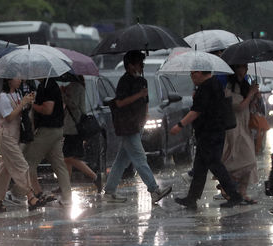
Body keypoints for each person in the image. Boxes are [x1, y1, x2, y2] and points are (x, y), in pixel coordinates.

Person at [104, 50, 171, 204]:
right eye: (139, 63)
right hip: (127, 126)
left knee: (122, 160)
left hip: (137, 124)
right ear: (130, 65)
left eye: (143, 63)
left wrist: (145, 115)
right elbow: (120, 103)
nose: (142, 66)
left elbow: (145, 101)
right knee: (140, 157)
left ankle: (109, 191)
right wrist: (138, 95)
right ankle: (154, 190)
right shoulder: (124, 81)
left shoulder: (142, 81)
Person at [171, 71, 243, 209]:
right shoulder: (214, 84)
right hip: (212, 131)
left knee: (214, 164)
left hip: (209, 133)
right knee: (200, 166)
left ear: (200, 73)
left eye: (193, 74)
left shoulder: (206, 87)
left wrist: (180, 125)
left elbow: (196, 111)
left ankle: (234, 194)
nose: (191, 77)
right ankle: (192, 198)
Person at [0, 78, 45, 212]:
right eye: (16, 77)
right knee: (21, 165)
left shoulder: (18, 94)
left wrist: (28, 102)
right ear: (9, 80)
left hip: (16, 135)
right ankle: (30, 196)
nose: (20, 80)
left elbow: (22, 112)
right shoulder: (3, 97)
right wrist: (22, 104)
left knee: (5, 169)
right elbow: (8, 117)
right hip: (6, 136)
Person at [23, 77, 72, 206]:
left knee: (28, 162)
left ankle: (22, 192)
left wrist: (32, 103)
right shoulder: (45, 85)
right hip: (56, 130)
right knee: (58, 164)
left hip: (47, 131)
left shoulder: (48, 86)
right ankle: (67, 197)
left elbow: (48, 109)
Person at [221, 64, 259, 204]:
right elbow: (239, 106)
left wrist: (255, 96)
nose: (245, 70)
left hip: (245, 126)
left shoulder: (245, 84)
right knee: (240, 160)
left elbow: (250, 106)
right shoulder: (230, 86)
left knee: (249, 160)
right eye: (243, 67)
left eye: (246, 67)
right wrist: (250, 94)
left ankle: (242, 192)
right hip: (234, 128)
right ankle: (228, 186)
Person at [62, 76, 102, 193]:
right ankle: (66, 185)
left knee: (69, 157)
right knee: (67, 158)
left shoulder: (76, 87)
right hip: (71, 127)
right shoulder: (75, 86)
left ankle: (94, 176)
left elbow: (74, 105)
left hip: (74, 128)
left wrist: (63, 94)